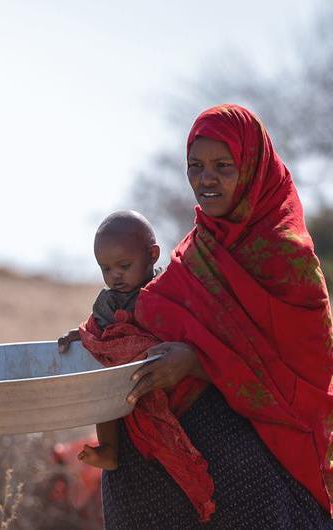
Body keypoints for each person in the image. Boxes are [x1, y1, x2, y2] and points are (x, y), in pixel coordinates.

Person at [99, 104, 333, 529]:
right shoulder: (196, 251)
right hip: (178, 448)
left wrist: (197, 362)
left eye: (223, 166)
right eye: (195, 166)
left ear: (252, 167)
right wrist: (94, 335)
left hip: (263, 449)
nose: (206, 179)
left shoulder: (287, 258)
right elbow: (149, 316)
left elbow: (305, 371)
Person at [57, 210, 162, 471]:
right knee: (102, 393)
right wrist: (80, 334)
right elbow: (96, 330)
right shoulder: (109, 301)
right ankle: (109, 450)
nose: (115, 275)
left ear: (152, 255)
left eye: (124, 266)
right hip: (119, 383)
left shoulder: (165, 290)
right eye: (106, 268)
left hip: (158, 377)